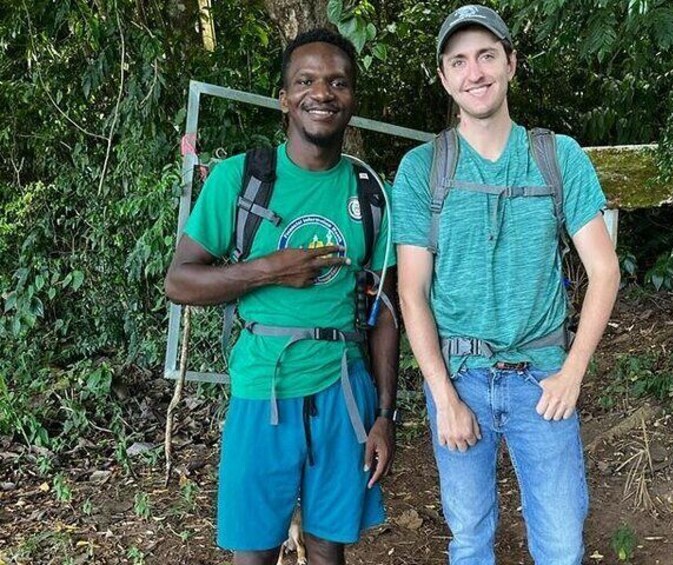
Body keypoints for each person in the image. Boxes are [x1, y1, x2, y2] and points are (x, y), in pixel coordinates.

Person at [392, 5, 620, 564]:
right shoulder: (424, 168)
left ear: (511, 64)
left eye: (487, 56)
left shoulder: (556, 156)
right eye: (460, 62)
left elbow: (604, 270)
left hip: (543, 382)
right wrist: (442, 395)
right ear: (445, 78)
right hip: (459, 377)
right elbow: (412, 291)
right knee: (469, 540)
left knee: (562, 544)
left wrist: (573, 372)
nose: (476, 72)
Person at [164, 28, 399, 565]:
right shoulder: (240, 180)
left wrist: (386, 412)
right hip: (259, 387)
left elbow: (384, 308)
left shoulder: (369, 191)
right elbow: (179, 281)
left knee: (327, 547)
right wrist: (266, 269)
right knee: (255, 552)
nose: (323, 93)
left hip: (344, 393)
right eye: (306, 81)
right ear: (285, 98)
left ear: (352, 98)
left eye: (338, 82)